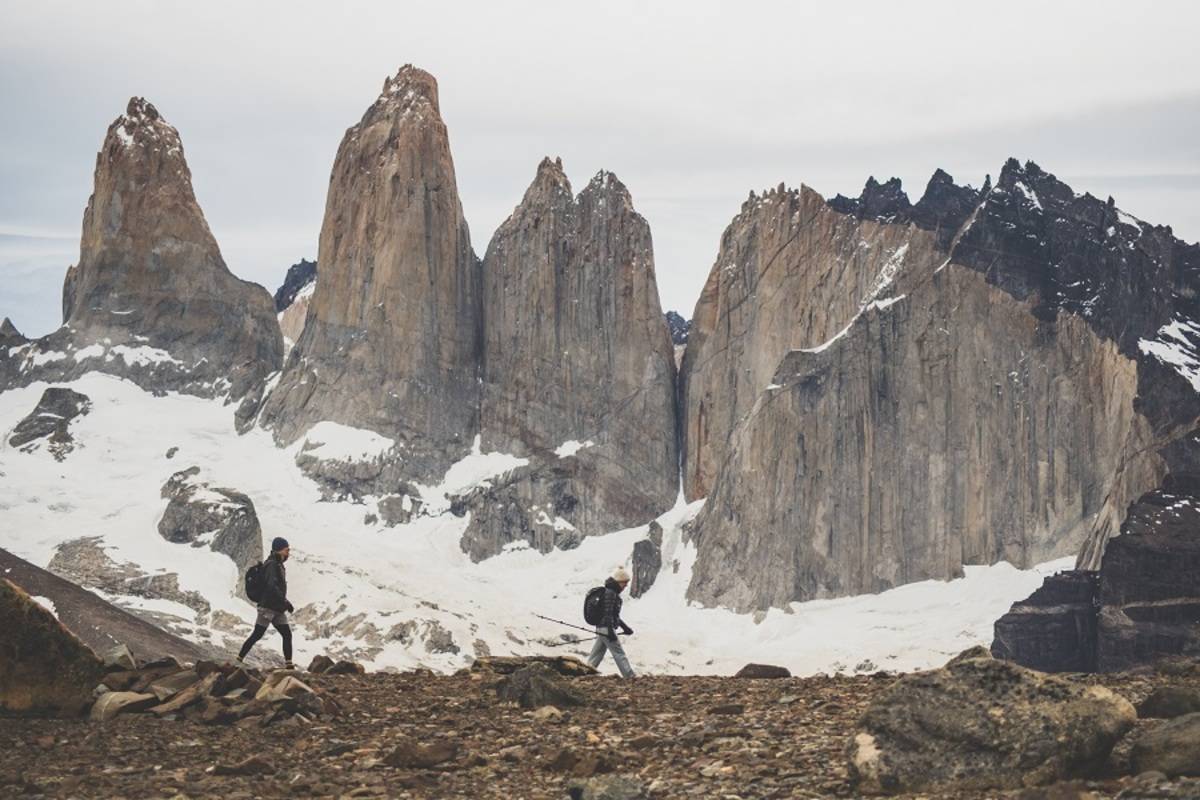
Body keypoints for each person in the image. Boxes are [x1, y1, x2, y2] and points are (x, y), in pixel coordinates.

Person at [237, 537, 295, 668]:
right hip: (268, 608)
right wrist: (286, 602)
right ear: (280, 550)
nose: (288, 553)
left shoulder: (278, 564)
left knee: (286, 634)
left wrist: (284, 603)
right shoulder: (272, 565)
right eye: (287, 550)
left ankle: (289, 665)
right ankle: (238, 659)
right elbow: (271, 586)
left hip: (277, 608)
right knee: (257, 634)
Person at [586, 566, 635, 678]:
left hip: (601, 627)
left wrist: (625, 628)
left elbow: (612, 615)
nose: (626, 586)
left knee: (597, 653)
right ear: (619, 582)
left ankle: (585, 673)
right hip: (606, 628)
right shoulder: (611, 593)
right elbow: (608, 614)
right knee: (619, 653)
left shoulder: (610, 592)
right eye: (624, 583)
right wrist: (610, 631)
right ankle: (630, 676)